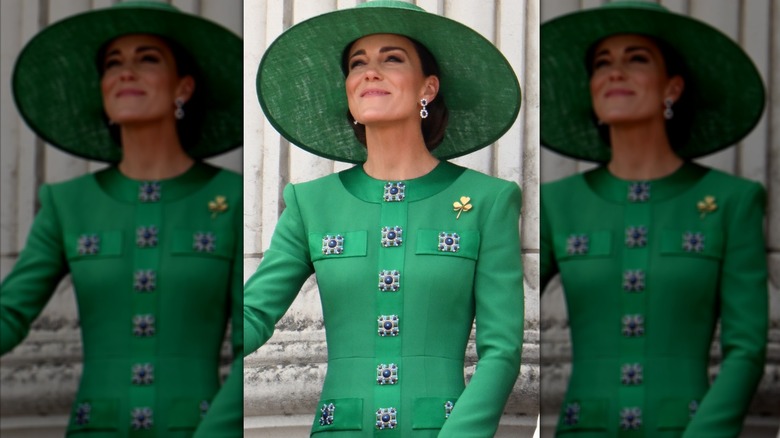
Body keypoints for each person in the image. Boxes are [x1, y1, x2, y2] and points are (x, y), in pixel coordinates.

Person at [244, 1, 525, 436]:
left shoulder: (488, 200)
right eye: (358, 64)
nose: (369, 72)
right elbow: (252, 314)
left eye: (391, 59)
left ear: (427, 87)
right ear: (349, 92)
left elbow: (502, 350)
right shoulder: (309, 202)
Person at [0, 2, 243, 436]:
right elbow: (9, 314)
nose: (125, 73)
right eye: (113, 64)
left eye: (147, 59)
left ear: (182, 87)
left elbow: (253, 343)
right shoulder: (66, 203)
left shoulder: (233, 197)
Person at [540, 1, 768, 436]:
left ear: (673, 88)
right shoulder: (556, 203)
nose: (615, 72)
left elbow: (747, 348)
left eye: (637, 59)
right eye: (602, 63)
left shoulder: (733, 200)